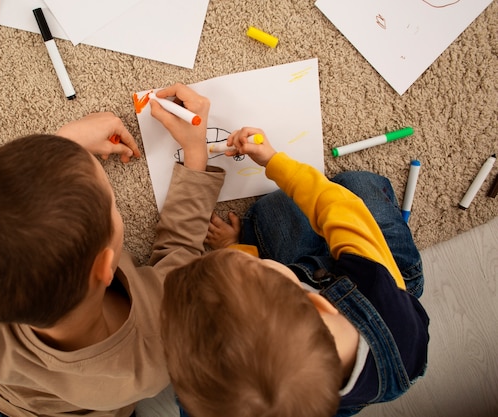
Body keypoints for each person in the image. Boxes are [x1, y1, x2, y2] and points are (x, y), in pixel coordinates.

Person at [0, 83, 226, 417]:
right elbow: (181, 250)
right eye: (112, 204)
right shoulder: (151, 354)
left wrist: (62, 147)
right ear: (104, 266)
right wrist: (196, 155)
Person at [160, 127, 430, 417]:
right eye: (258, 265)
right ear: (317, 301)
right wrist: (274, 162)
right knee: (354, 187)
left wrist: (234, 248)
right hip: (393, 281)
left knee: (276, 211)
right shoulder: (377, 285)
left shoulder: (236, 404)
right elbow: (341, 209)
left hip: (329, 296)